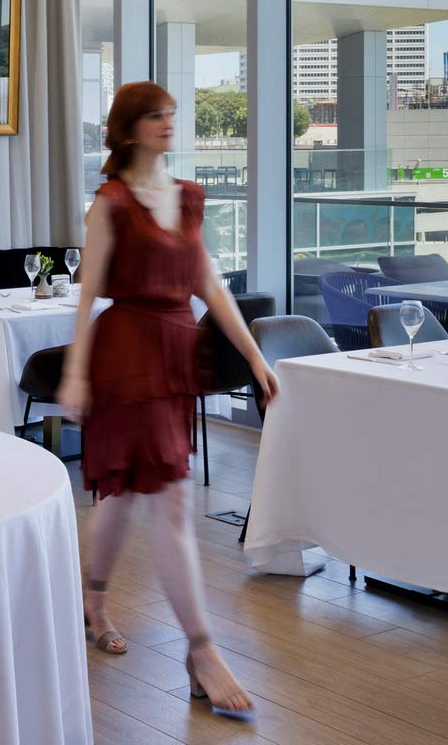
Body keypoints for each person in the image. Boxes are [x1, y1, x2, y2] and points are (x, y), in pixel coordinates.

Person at [57, 80, 278, 721]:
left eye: (171, 115)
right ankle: (202, 649)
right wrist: (76, 372)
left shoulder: (188, 198)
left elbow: (210, 284)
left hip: (175, 352)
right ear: (128, 129)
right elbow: (88, 291)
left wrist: (257, 356)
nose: (168, 124)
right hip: (125, 356)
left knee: (125, 493)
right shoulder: (111, 203)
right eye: (156, 116)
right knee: (172, 500)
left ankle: (93, 599)